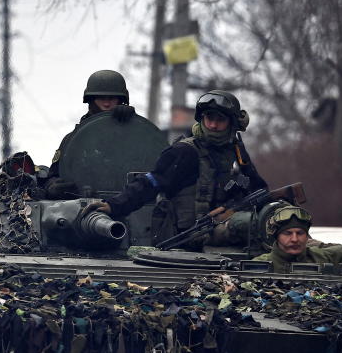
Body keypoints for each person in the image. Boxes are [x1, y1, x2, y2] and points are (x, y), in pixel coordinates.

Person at [82, 90, 267, 248]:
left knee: (272, 218)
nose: (213, 125)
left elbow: (257, 188)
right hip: (190, 236)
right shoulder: (185, 151)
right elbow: (151, 182)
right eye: (209, 118)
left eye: (220, 120)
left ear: (231, 124)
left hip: (222, 228)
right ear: (202, 118)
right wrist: (114, 205)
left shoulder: (234, 152)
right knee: (249, 223)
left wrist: (238, 204)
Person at [43, 70, 136, 198]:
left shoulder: (133, 136)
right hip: (82, 207)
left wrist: (133, 122)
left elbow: (149, 169)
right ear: (90, 100)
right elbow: (53, 176)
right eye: (101, 98)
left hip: (128, 205)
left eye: (112, 98)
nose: (107, 103)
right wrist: (53, 186)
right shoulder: (74, 140)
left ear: (121, 100)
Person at [253, 205, 342, 275]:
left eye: (300, 233)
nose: (294, 239)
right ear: (277, 236)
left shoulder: (323, 256)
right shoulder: (258, 264)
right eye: (287, 233)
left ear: (307, 236)